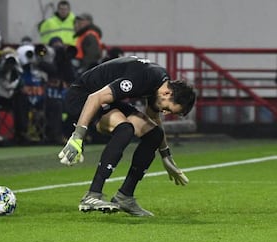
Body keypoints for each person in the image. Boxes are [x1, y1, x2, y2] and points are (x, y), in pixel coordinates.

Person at [58, 56, 196, 217]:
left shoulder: (160, 83)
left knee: (154, 134)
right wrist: (78, 136)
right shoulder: (143, 78)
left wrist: (166, 155)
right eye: (168, 109)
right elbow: (94, 98)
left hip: (104, 99)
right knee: (125, 129)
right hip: (82, 97)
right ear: (167, 93)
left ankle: (125, 197)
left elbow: (154, 119)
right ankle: (92, 195)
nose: (165, 112)